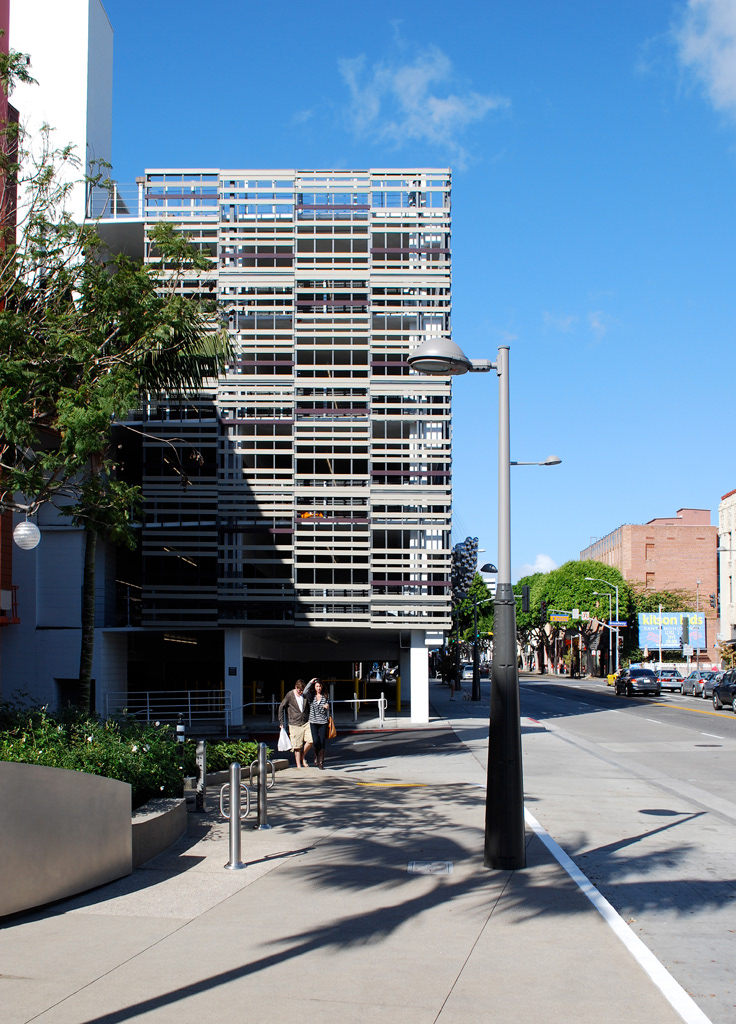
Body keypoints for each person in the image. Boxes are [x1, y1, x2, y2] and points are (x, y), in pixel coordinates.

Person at [278, 678, 312, 769]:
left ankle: (302, 756)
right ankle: (298, 765)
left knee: (311, 740)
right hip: (294, 723)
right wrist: (281, 722)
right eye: (299, 690)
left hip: (305, 721)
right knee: (297, 746)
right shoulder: (290, 695)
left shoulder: (304, 695)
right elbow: (281, 707)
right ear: (295, 687)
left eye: (302, 690)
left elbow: (310, 705)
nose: (301, 692)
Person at [307, 677, 330, 769]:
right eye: (317, 686)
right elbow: (305, 693)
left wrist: (327, 707)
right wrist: (310, 682)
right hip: (313, 721)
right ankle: (316, 754)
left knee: (322, 741)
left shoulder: (325, 696)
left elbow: (325, 709)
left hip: (323, 721)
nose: (318, 688)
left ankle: (321, 761)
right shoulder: (311, 696)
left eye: (320, 686)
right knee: (315, 741)